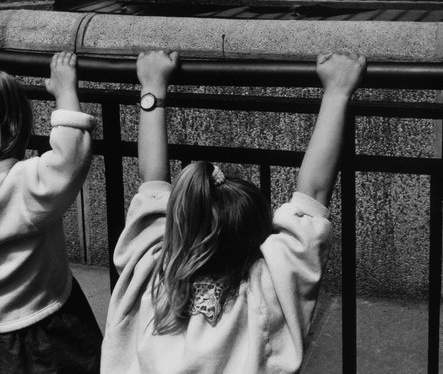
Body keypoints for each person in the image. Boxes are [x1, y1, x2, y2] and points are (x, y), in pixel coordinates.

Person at [101, 49, 366, 374]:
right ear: (259, 238)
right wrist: (338, 92)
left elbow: (151, 184)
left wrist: (152, 88)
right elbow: (313, 195)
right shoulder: (267, 292)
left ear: (178, 225)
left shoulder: (151, 277)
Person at [0, 51, 102, 373]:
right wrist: (65, 91)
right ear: (14, 124)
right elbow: (70, 156)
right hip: (45, 328)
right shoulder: (22, 185)